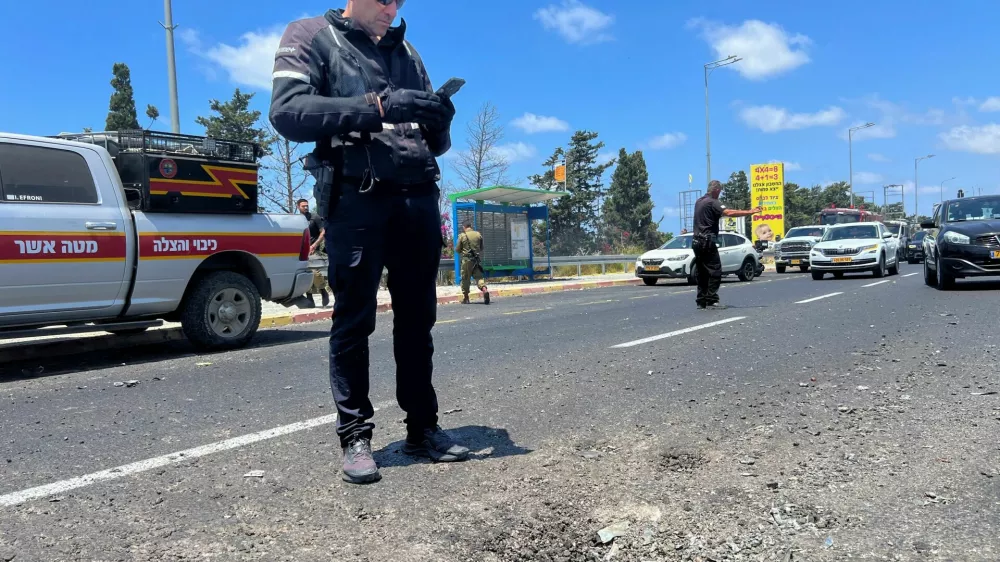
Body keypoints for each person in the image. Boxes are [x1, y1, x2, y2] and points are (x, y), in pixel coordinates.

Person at [269, 0, 469, 485]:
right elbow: (287, 111)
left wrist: (439, 118)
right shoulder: (310, 35)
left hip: (417, 196)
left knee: (418, 319)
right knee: (354, 320)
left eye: (400, 0)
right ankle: (355, 436)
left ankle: (423, 428)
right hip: (355, 196)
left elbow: (436, 144)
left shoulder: (409, 53)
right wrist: (377, 107)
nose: (391, 8)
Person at [692, 180, 761, 309]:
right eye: (720, 192)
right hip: (707, 242)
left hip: (696, 241)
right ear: (717, 190)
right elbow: (729, 213)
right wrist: (750, 211)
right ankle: (711, 300)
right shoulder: (713, 202)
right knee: (715, 270)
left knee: (702, 272)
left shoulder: (699, 201)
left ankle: (701, 300)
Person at [297, 198, 330, 308]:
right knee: (304, 273)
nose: (306, 207)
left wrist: (314, 245)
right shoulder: (296, 219)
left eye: (307, 205)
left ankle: (323, 291)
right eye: (303, 206)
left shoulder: (314, 217)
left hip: (313, 249)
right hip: (301, 251)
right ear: (298, 207)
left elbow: (323, 232)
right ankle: (309, 298)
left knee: (314, 271)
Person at [455, 222, 490, 304]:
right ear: (470, 226)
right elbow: (481, 248)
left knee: (465, 279)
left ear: (464, 227)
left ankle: (466, 298)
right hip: (476, 260)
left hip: (466, 261)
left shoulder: (462, 236)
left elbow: (457, 250)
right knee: (479, 277)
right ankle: (484, 290)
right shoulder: (478, 234)